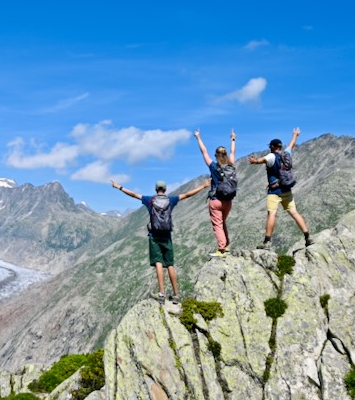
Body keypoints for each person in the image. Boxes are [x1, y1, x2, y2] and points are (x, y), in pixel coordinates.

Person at [111, 178, 209, 304]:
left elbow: (133, 194)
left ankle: (161, 293)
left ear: (156, 189)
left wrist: (119, 186)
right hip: (167, 236)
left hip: (154, 236)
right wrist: (203, 186)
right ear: (165, 189)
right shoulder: (171, 200)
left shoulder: (150, 200)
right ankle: (176, 294)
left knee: (158, 262)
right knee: (170, 264)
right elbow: (187, 194)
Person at [247, 127, 313, 249]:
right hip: (287, 189)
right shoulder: (286, 153)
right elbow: (291, 145)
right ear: (280, 147)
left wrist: (255, 161)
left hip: (274, 191)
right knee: (294, 212)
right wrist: (295, 135)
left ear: (272, 146)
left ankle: (267, 242)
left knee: (272, 214)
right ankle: (308, 236)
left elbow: (263, 160)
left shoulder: (271, 156)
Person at [194, 128, 237, 256]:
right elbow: (233, 151)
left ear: (216, 155)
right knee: (222, 222)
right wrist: (233, 138)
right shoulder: (231, 165)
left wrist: (198, 137)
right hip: (228, 201)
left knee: (217, 225)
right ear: (225, 155)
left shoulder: (213, 166)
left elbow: (204, 152)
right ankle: (226, 245)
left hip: (216, 200)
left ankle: (221, 249)